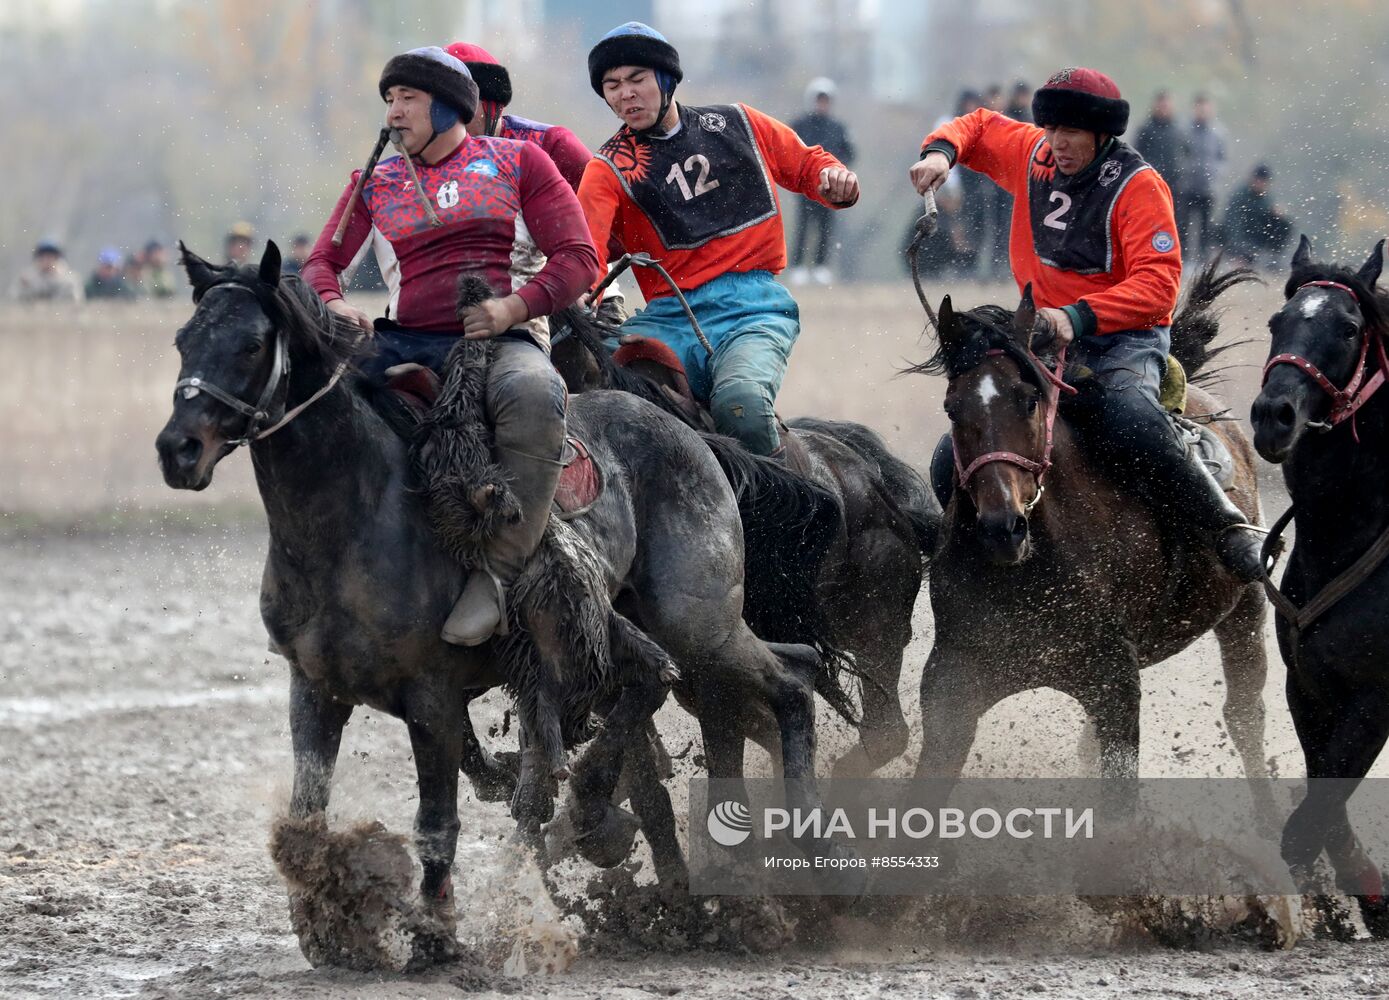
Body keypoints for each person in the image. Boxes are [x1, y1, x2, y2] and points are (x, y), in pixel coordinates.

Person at [909, 66, 1264, 581]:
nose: (1058, 144)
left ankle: (1226, 526)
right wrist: (941, 153)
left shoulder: (1139, 188)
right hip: (1044, 338)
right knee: (955, 452)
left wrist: (1077, 316)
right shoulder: (1035, 155)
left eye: (1071, 134)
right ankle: (969, 561)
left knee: (1130, 421)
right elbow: (980, 125)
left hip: (1124, 341)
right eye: (1052, 131)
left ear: (1101, 135)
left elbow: (1159, 285)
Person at [302, 46, 600, 646]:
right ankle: (317, 562)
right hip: (404, 337)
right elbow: (320, 263)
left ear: (448, 107)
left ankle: (496, 575)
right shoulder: (374, 181)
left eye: (407, 99)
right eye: (389, 100)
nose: (394, 113)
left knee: (535, 395)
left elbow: (579, 258)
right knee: (317, 400)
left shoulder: (521, 162)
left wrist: (511, 308)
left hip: (504, 339)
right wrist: (333, 305)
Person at [579, 22, 859, 458]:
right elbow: (586, 253)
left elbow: (809, 167)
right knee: (606, 392)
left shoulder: (738, 123)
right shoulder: (606, 169)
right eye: (611, 86)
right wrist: (580, 295)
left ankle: (776, 515)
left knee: (741, 405)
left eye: (636, 79)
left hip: (753, 307)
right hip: (669, 317)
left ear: (667, 79)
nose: (625, 94)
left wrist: (835, 181)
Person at [788, 77, 856, 286]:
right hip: (804, 185)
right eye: (819, 100)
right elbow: (789, 151)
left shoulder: (838, 127)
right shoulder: (799, 124)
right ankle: (798, 266)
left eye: (825, 100)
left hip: (831, 188)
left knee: (826, 226)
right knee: (803, 226)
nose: (822, 104)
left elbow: (849, 153)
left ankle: (821, 266)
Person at [1178, 94, 1226, 262]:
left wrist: (1215, 174)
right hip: (1187, 187)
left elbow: (1222, 158)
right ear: (1194, 109)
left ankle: (1202, 261)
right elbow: (1179, 155)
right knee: (1183, 226)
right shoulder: (1184, 130)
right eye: (1200, 108)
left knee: (1206, 229)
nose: (1203, 112)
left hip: (1208, 189)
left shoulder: (1218, 133)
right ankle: (1182, 260)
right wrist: (1185, 171)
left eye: (1206, 108)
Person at [1221, 164, 1293, 270]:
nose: (1261, 184)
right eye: (1259, 180)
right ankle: (1240, 258)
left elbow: (1270, 218)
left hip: (1258, 235)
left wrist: (1277, 215)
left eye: (1264, 182)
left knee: (1284, 223)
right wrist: (1238, 248)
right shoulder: (1240, 195)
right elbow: (1233, 223)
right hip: (1243, 236)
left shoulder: (1267, 197)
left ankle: (1273, 257)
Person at [1133, 90, 1182, 205]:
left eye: (1166, 105)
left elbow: (1187, 154)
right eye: (1162, 105)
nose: (1164, 108)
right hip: (1150, 182)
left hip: (1174, 185)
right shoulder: (1146, 129)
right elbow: (1136, 155)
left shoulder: (1178, 130)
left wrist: (1182, 176)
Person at [11, 239, 83, 302]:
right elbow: (15, 300)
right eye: (43, 256)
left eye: (50, 256)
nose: (46, 260)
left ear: (57, 258)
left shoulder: (69, 280)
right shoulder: (28, 278)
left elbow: (76, 301)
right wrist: (25, 288)